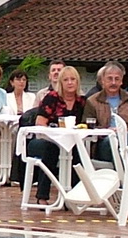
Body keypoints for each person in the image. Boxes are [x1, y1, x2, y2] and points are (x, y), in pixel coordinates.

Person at [24, 64, 88, 204]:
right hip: (45, 139)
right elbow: (40, 122)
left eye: (73, 79)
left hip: (72, 140)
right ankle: (42, 196)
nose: (70, 83)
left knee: (79, 152)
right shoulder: (51, 98)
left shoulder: (82, 101)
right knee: (51, 150)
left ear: (77, 82)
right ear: (60, 82)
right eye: (66, 80)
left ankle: (77, 195)